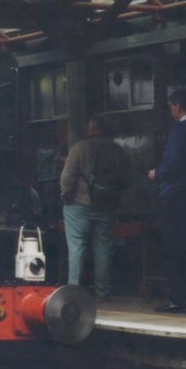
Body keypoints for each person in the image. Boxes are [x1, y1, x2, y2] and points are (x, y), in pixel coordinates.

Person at [148, 88, 186, 313]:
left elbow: (172, 163)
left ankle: (178, 298)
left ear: (178, 107)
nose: (171, 112)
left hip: (175, 196)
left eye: (172, 107)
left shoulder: (180, 130)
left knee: (174, 247)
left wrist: (157, 173)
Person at [60, 116, 131, 301]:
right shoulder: (117, 151)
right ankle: (103, 292)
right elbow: (127, 180)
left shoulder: (79, 148)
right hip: (106, 207)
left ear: (91, 129)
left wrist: (67, 197)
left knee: (77, 247)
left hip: (78, 206)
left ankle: (74, 291)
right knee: (103, 249)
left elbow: (67, 178)